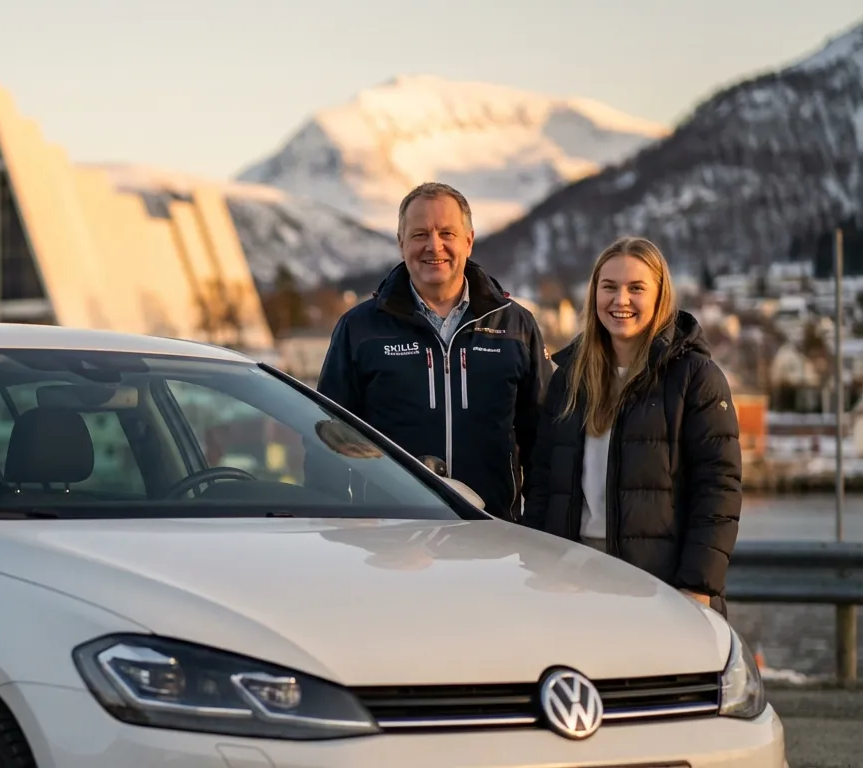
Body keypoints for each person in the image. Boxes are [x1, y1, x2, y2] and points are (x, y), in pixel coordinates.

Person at [521, 236, 742, 615]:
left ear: (660, 297)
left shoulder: (694, 378)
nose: (620, 300)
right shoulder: (569, 378)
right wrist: (538, 566)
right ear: (594, 294)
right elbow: (542, 485)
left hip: (661, 587)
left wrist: (697, 585)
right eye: (609, 287)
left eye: (636, 288)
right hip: (570, 582)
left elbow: (718, 490)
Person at [316, 182, 551, 520]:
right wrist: (333, 527)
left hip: (492, 532)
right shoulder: (360, 329)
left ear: (468, 241)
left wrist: (538, 526)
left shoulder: (515, 326)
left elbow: (542, 443)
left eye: (446, 233)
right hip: (390, 535)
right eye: (420, 234)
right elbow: (329, 441)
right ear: (401, 243)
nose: (434, 245)